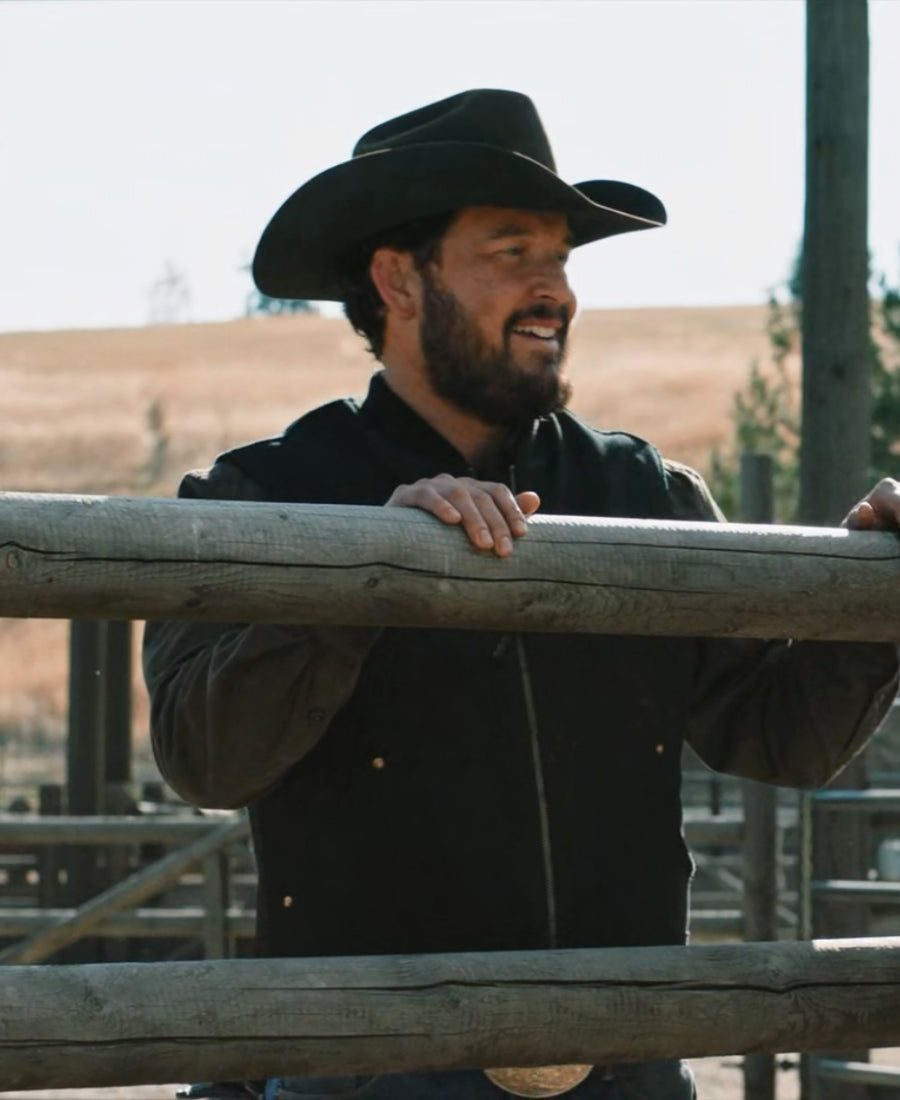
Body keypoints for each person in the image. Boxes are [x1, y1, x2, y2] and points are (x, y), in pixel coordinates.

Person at [143, 89, 900, 1100]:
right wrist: (361, 563)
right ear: (396, 280)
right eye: (511, 252)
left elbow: (779, 735)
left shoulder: (647, 494)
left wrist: (878, 583)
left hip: (623, 1072)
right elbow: (205, 755)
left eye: (561, 259)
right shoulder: (257, 496)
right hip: (361, 1073)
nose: (555, 290)